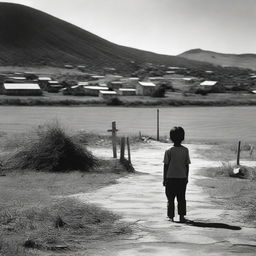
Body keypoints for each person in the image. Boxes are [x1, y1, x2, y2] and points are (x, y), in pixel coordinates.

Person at [163, 126, 191, 223]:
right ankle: (182, 217)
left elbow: (166, 166)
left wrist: (164, 178)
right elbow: (187, 165)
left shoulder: (168, 150)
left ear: (171, 138)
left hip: (170, 178)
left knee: (170, 199)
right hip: (182, 178)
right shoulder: (185, 150)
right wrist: (186, 177)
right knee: (181, 198)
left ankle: (171, 217)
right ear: (182, 137)